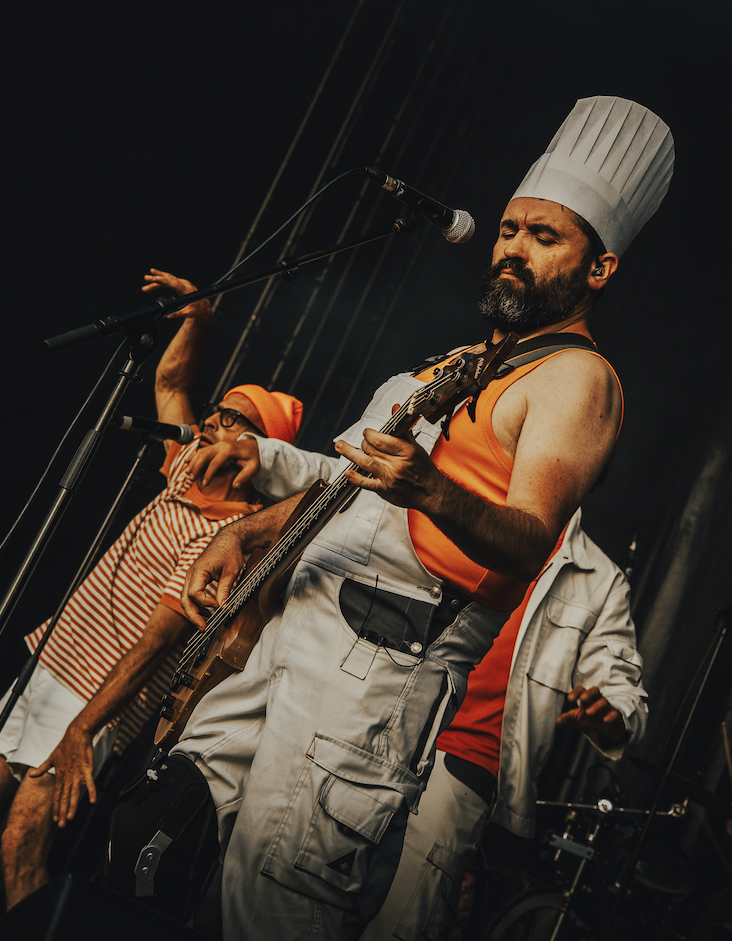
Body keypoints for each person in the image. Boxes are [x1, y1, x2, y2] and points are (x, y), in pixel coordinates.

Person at [174, 95, 674, 941]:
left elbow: (531, 540)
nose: (513, 249)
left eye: (544, 238)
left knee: (280, 905)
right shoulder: (468, 360)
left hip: (375, 671)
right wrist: (250, 530)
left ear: (599, 269)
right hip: (297, 633)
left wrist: (431, 490)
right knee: (181, 858)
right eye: (509, 230)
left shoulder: (577, 381)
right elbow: (351, 478)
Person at [0, 269, 305, 911]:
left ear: (257, 447)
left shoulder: (229, 537)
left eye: (231, 418)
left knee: (21, 843)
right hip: (51, 664)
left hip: (92, 700)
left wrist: (84, 728)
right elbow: (169, 384)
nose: (212, 421)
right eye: (219, 410)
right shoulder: (183, 473)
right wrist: (198, 320)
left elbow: (156, 644)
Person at [360, 510, 648, 940]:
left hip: (462, 767)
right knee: (308, 900)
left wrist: (612, 714)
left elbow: (623, 691)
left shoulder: (600, 580)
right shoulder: (460, 502)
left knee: (398, 923)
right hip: (377, 726)